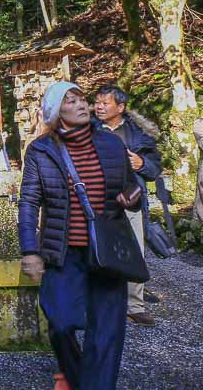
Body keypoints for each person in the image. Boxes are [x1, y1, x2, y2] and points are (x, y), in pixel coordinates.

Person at [19, 81, 145, 390]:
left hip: (107, 250)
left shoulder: (111, 144)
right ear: (55, 112)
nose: (81, 105)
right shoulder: (41, 150)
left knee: (105, 333)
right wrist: (29, 250)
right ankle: (78, 378)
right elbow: (29, 201)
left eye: (81, 99)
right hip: (64, 252)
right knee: (60, 323)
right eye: (70, 101)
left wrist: (133, 197)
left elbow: (132, 188)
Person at [93, 84, 163, 326]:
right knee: (96, 248)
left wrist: (141, 162)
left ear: (120, 107)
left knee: (134, 250)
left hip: (130, 200)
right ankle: (98, 301)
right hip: (96, 199)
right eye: (97, 102)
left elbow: (155, 170)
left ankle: (134, 305)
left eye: (105, 103)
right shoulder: (88, 129)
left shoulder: (139, 135)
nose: (98, 107)